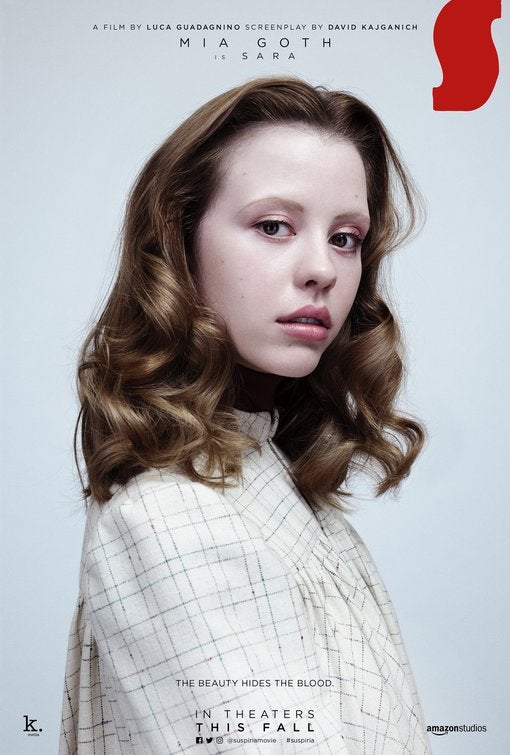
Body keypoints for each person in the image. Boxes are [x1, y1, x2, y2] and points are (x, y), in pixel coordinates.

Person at [59, 77, 430, 754]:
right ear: (181, 242)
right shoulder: (170, 517)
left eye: (346, 237)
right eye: (273, 226)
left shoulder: (280, 488)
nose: (322, 269)